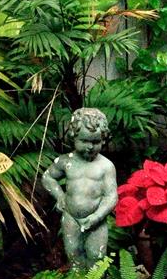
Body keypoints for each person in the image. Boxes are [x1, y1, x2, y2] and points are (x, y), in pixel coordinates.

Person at [39, 107, 116, 267]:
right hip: (71, 216)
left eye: (95, 142)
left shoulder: (106, 166)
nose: (90, 147)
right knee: (73, 251)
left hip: (96, 219)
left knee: (96, 254)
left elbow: (111, 196)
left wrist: (97, 216)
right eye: (84, 141)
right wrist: (60, 196)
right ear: (73, 138)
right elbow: (47, 177)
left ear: (103, 139)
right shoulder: (67, 162)